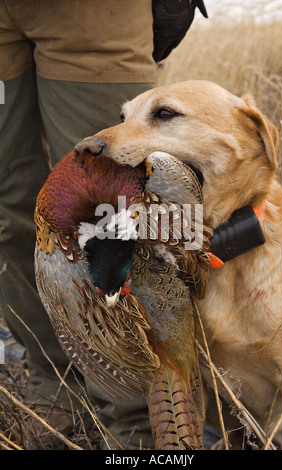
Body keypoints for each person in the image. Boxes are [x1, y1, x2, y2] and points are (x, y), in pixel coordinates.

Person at [0, 0, 207, 449]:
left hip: (96, 15)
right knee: (9, 209)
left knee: (117, 211)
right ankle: (52, 377)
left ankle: (138, 415)